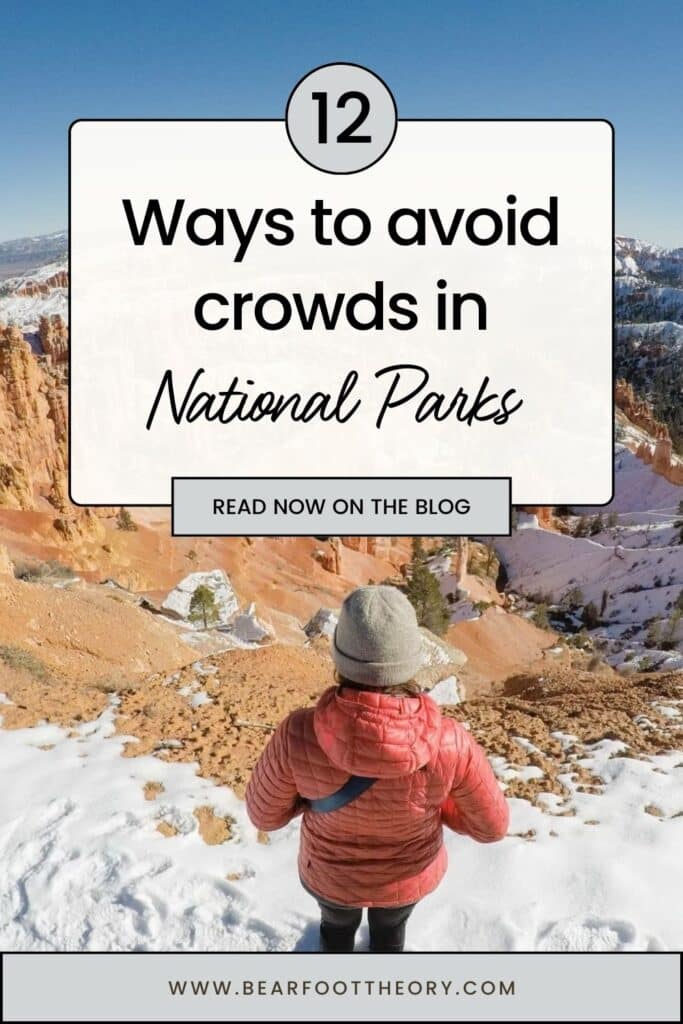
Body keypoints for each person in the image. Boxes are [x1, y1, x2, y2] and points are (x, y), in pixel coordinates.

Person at [245, 584, 509, 952]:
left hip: (330, 876)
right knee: (391, 931)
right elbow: (491, 827)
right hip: (407, 878)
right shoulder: (450, 742)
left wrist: (309, 797)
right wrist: (436, 808)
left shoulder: (298, 734)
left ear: (340, 657)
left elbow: (264, 816)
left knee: (335, 927)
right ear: (411, 658)